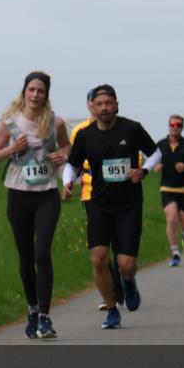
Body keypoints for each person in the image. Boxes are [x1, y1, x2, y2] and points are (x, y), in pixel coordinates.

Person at [62, 84, 161, 330]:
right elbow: (73, 165)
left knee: (126, 264)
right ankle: (111, 309)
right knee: (99, 259)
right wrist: (67, 183)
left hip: (129, 205)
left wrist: (144, 170)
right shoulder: (85, 136)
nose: (104, 108)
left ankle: (128, 281)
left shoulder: (132, 128)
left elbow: (156, 152)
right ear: (92, 107)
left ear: (117, 105)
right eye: (100, 104)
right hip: (99, 204)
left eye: (109, 103)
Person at [0, 71, 71, 339]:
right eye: (31, 90)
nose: (35, 95)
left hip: (47, 194)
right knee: (25, 255)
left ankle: (45, 317)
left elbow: (69, 147)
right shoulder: (10, 122)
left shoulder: (55, 122)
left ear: (47, 95)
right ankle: (32, 309)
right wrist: (12, 149)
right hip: (19, 194)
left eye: (41, 91)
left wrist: (62, 155)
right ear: (24, 92)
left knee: (42, 252)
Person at [69, 92, 124, 311]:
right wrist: (69, 182)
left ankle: (124, 278)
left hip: (119, 193)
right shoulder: (79, 131)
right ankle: (110, 291)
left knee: (119, 245)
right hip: (91, 193)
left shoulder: (122, 129)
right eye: (95, 103)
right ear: (89, 105)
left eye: (104, 103)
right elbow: (74, 160)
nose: (99, 107)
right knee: (101, 249)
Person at [153, 114, 184, 266]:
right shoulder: (160, 144)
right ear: (169, 126)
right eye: (173, 125)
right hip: (167, 187)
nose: (175, 127)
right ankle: (175, 253)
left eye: (178, 125)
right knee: (172, 218)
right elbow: (152, 162)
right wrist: (156, 167)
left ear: (182, 127)